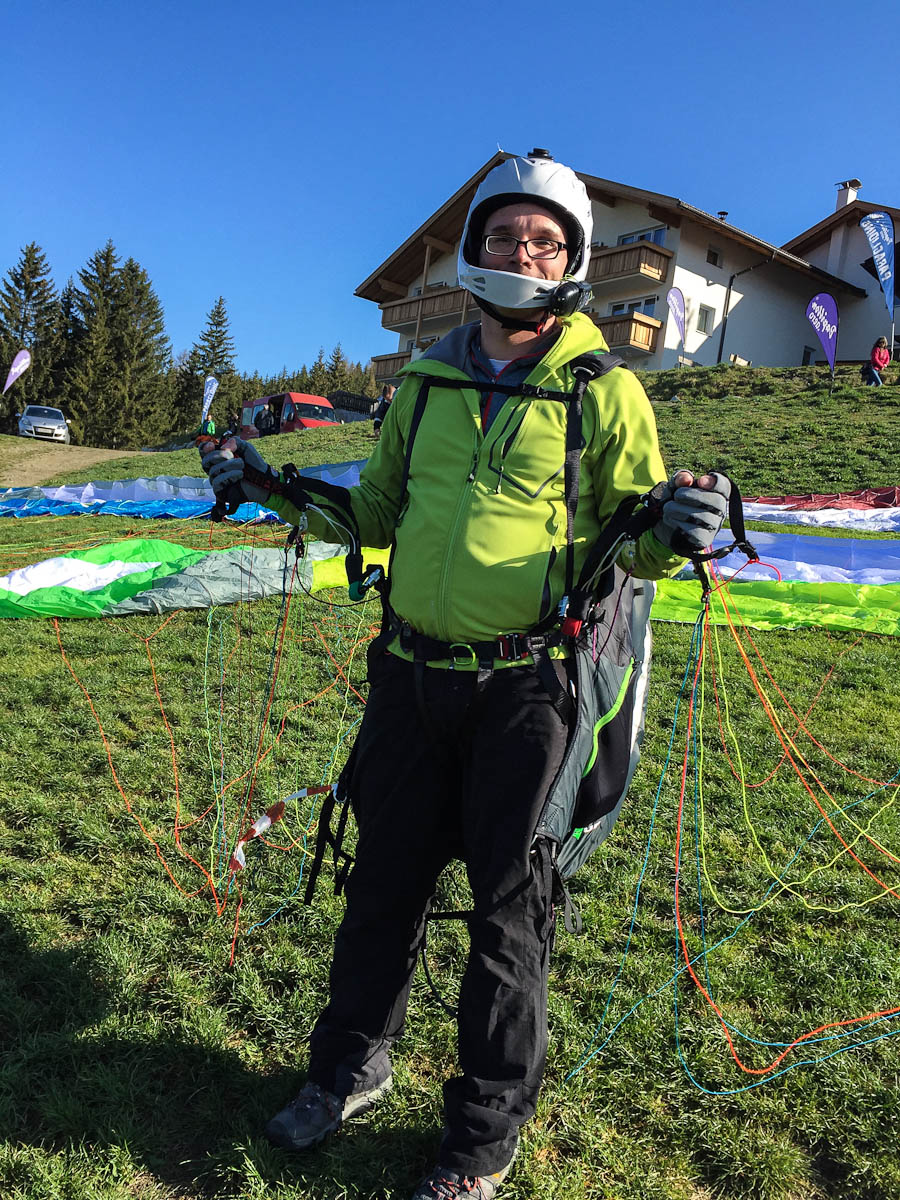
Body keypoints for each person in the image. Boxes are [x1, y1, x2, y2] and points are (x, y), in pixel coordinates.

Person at [198, 149, 730, 1199]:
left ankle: (480, 1142)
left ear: (571, 261)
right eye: (504, 235)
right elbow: (374, 514)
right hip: (409, 675)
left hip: (530, 692)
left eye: (544, 240)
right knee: (380, 887)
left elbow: (632, 541)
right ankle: (348, 1071)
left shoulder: (605, 392)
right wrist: (269, 486)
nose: (521, 252)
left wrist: (680, 529)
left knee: (509, 914)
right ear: (477, 250)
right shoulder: (425, 384)